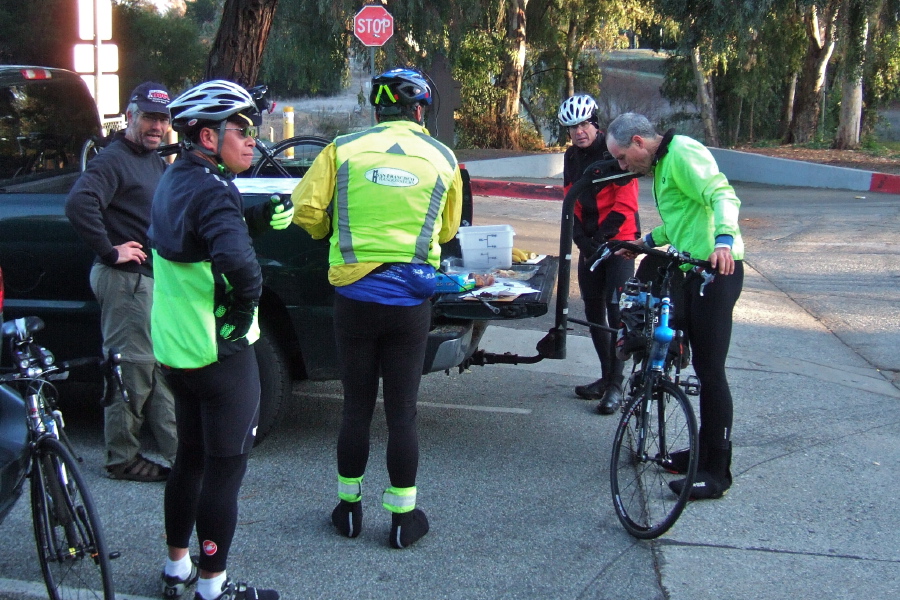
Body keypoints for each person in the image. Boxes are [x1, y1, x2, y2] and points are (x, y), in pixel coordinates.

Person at [290, 67, 463, 549]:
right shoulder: (443, 158)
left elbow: (305, 211)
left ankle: (348, 511)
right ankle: (403, 520)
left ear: (375, 109)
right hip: (410, 300)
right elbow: (448, 232)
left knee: (356, 408)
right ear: (420, 110)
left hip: (354, 297)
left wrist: (332, 233)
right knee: (402, 412)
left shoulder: (340, 149)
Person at [150, 80, 292, 600]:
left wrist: (250, 217)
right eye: (243, 128)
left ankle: (176, 567)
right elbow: (240, 268)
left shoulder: (177, 178)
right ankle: (214, 588)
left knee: (188, 457)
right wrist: (240, 310)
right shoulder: (213, 190)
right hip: (219, 352)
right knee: (225, 469)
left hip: (177, 348)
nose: (253, 139)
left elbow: (200, 239)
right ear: (208, 137)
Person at [605, 112, 744, 500]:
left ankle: (717, 471)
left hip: (716, 270)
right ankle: (698, 450)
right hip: (690, 268)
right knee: (667, 338)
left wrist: (723, 241)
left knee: (711, 370)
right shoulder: (664, 163)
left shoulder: (682, 152)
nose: (622, 166)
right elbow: (680, 221)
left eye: (621, 157)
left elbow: (722, 194)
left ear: (638, 142)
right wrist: (642, 240)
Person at [65, 82, 178, 482]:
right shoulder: (114, 160)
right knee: (130, 370)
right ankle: (122, 458)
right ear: (130, 116)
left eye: (162, 119)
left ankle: (182, 455)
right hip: (124, 281)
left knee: (156, 368)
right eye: (149, 117)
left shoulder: (150, 158)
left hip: (146, 281)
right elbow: (79, 202)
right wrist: (111, 250)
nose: (156, 126)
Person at [558, 95, 641, 415]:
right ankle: (607, 377)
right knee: (593, 311)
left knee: (616, 310)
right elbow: (571, 197)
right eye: (571, 127)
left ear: (594, 123)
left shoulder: (614, 150)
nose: (579, 132)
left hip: (619, 241)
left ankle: (618, 385)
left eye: (583, 124)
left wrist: (602, 238)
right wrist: (581, 237)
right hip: (591, 241)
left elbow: (625, 203)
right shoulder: (571, 157)